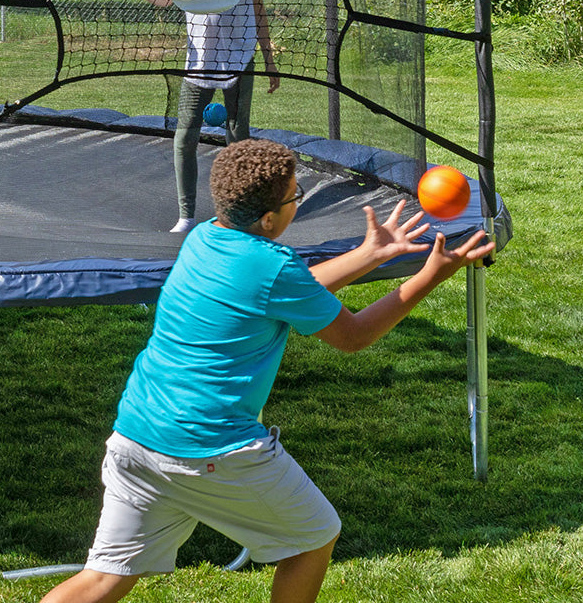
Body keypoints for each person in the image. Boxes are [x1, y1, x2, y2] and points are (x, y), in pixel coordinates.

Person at [38, 138, 495, 603]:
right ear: (269, 218)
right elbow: (352, 336)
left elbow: (282, 296)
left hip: (137, 436)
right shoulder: (273, 265)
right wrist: (429, 275)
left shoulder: (202, 239)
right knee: (314, 539)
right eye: (296, 196)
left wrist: (371, 254)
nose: (298, 202)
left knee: (105, 578)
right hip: (210, 448)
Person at [110, 0, 280, 233]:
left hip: (240, 55)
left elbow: (259, 9)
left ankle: (241, 213)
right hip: (200, 58)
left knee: (238, 135)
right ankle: (186, 216)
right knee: (185, 135)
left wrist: (268, 58)